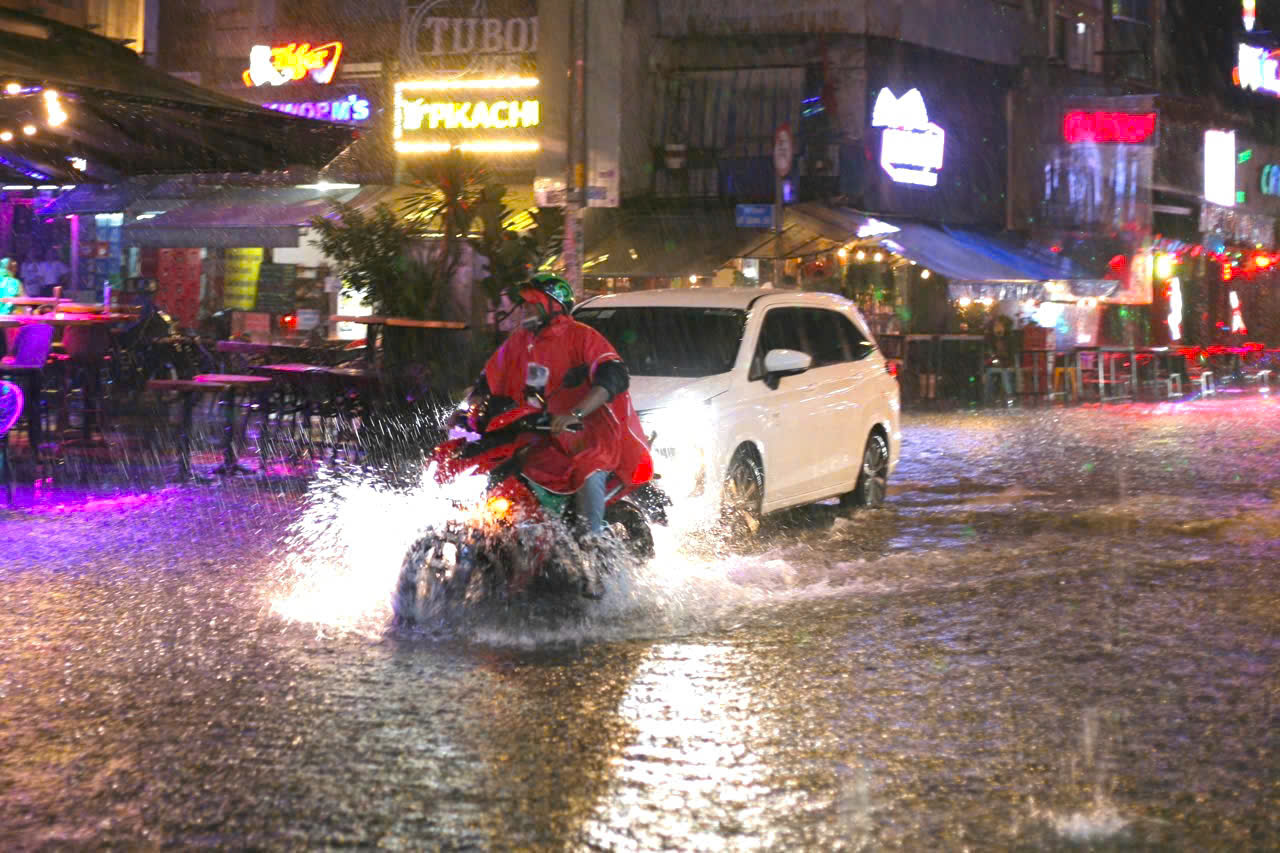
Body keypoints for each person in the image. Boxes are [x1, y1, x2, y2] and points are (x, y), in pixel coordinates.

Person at [460, 273, 649, 544]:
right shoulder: (522, 341)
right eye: (524, 304)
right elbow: (489, 381)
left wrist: (575, 413)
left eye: (532, 303)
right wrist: (467, 410)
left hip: (588, 436)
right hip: (542, 434)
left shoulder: (582, 336)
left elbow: (613, 375)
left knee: (587, 473)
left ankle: (593, 548)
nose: (525, 310)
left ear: (553, 306)